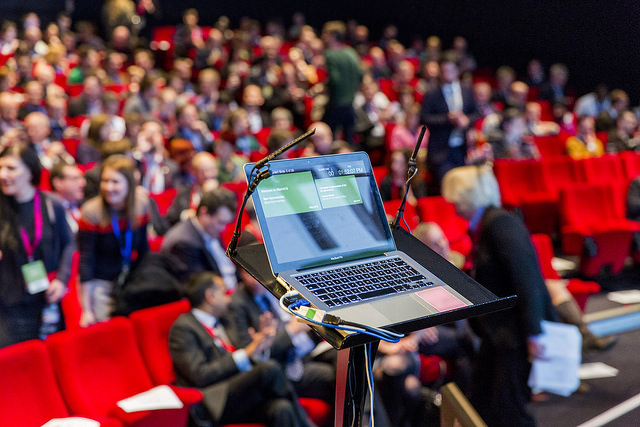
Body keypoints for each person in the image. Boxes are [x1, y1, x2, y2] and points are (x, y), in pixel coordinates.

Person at [441, 164, 557, 427]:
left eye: (456, 200)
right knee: (481, 406)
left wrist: (534, 333)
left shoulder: (500, 225)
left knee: (510, 412)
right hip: (498, 335)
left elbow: (527, 279)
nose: (453, 206)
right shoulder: (490, 224)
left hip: (514, 335)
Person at [168, 272, 314, 427]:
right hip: (216, 399)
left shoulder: (224, 321)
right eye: (224, 293)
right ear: (210, 296)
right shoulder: (184, 328)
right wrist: (248, 351)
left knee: (281, 409)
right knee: (268, 369)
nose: (229, 299)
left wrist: (260, 347)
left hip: (241, 391)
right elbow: (200, 375)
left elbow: (245, 357)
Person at [227, 263, 336, 404]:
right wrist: (290, 331)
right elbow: (253, 354)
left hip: (309, 346)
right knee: (339, 375)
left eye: (256, 272)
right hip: (286, 363)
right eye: (246, 273)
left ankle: (367, 417)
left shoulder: (279, 287)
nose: (252, 279)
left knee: (348, 359)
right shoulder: (237, 304)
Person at [0, 143, 74, 347]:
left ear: (30, 171)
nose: (3, 174)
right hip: (9, 307)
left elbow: (68, 243)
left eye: (11, 168)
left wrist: (61, 279)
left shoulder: (52, 205)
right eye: (0, 168)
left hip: (47, 299)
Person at [77, 154, 151, 326]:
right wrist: (86, 309)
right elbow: (86, 261)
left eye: (115, 182)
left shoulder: (141, 205)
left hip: (131, 279)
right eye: (105, 181)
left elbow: (144, 249)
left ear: (129, 184)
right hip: (101, 284)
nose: (108, 187)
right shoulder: (91, 212)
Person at [420, 53, 478, 195]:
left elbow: (475, 113)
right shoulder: (431, 93)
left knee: (464, 190)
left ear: (457, 71)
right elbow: (424, 118)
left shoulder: (466, 90)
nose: (447, 75)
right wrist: (448, 119)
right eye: (444, 71)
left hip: (461, 149)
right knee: (447, 190)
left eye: (451, 71)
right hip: (441, 151)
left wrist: (467, 121)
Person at [162, 187, 238, 289]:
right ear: (204, 213)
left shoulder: (210, 229)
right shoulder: (183, 242)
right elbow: (199, 289)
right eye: (220, 222)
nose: (223, 229)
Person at [321, 20, 362, 144]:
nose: (323, 37)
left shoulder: (330, 55)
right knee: (349, 141)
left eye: (325, 34)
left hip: (336, 103)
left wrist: (324, 87)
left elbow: (335, 80)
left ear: (333, 36)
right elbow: (360, 76)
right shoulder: (351, 52)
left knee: (329, 137)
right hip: (350, 104)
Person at [165, 151, 220, 225]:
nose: (207, 174)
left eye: (211, 169)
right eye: (202, 171)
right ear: (193, 171)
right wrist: (185, 215)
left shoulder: (227, 194)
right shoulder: (184, 193)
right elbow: (171, 217)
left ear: (217, 170)